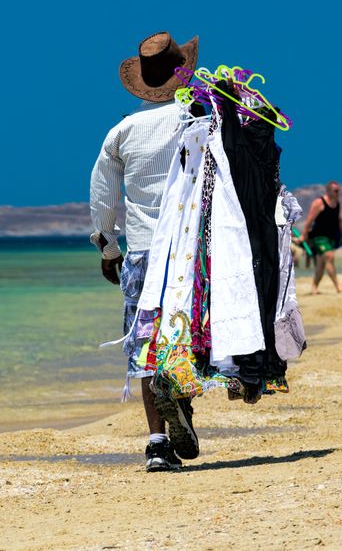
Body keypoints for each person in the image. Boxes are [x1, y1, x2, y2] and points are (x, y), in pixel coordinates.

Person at [90, 31, 200, 473]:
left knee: (145, 345)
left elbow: (103, 198)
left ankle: (157, 443)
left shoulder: (122, 131)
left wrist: (107, 248)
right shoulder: (199, 119)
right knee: (185, 339)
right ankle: (184, 412)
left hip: (141, 251)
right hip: (188, 249)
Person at [300, 181, 342, 294]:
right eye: (336, 191)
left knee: (321, 264)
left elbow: (339, 220)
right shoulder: (319, 203)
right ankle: (338, 286)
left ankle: (314, 288)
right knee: (329, 256)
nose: (338, 193)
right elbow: (309, 220)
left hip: (331, 237)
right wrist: (303, 235)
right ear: (328, 191)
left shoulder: (337, 203)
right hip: (318, 237)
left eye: (338, 191)